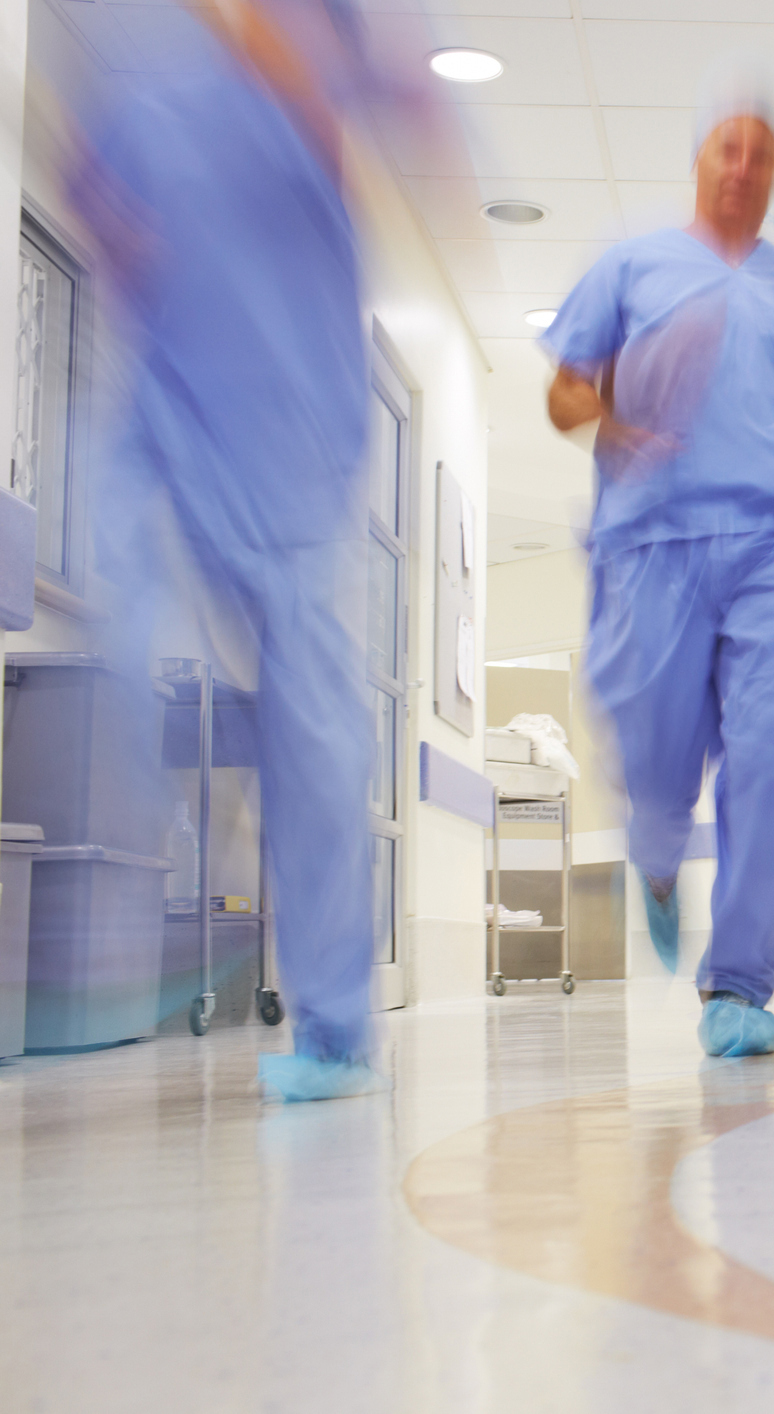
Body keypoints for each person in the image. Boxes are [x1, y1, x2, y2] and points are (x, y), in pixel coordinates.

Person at [73, 0, 391, 1101]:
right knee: (118, 624)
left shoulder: (313, 140)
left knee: (319, 739)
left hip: (296, 467)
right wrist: (121, 232)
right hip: (169, 415)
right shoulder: (155, 93)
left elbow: (388, 127)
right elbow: (95, 188)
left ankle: (335, 1024)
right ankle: (127, 874)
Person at [544, 71, 774, 1059]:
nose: (742, 166)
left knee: (769, 752)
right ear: (699, 159)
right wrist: (614, 420)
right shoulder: (632, 267)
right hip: (653, 540)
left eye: (762, 154)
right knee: (656, 759)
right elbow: (562, 393)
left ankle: (740, 981)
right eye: (728, 147)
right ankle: (654, 849)